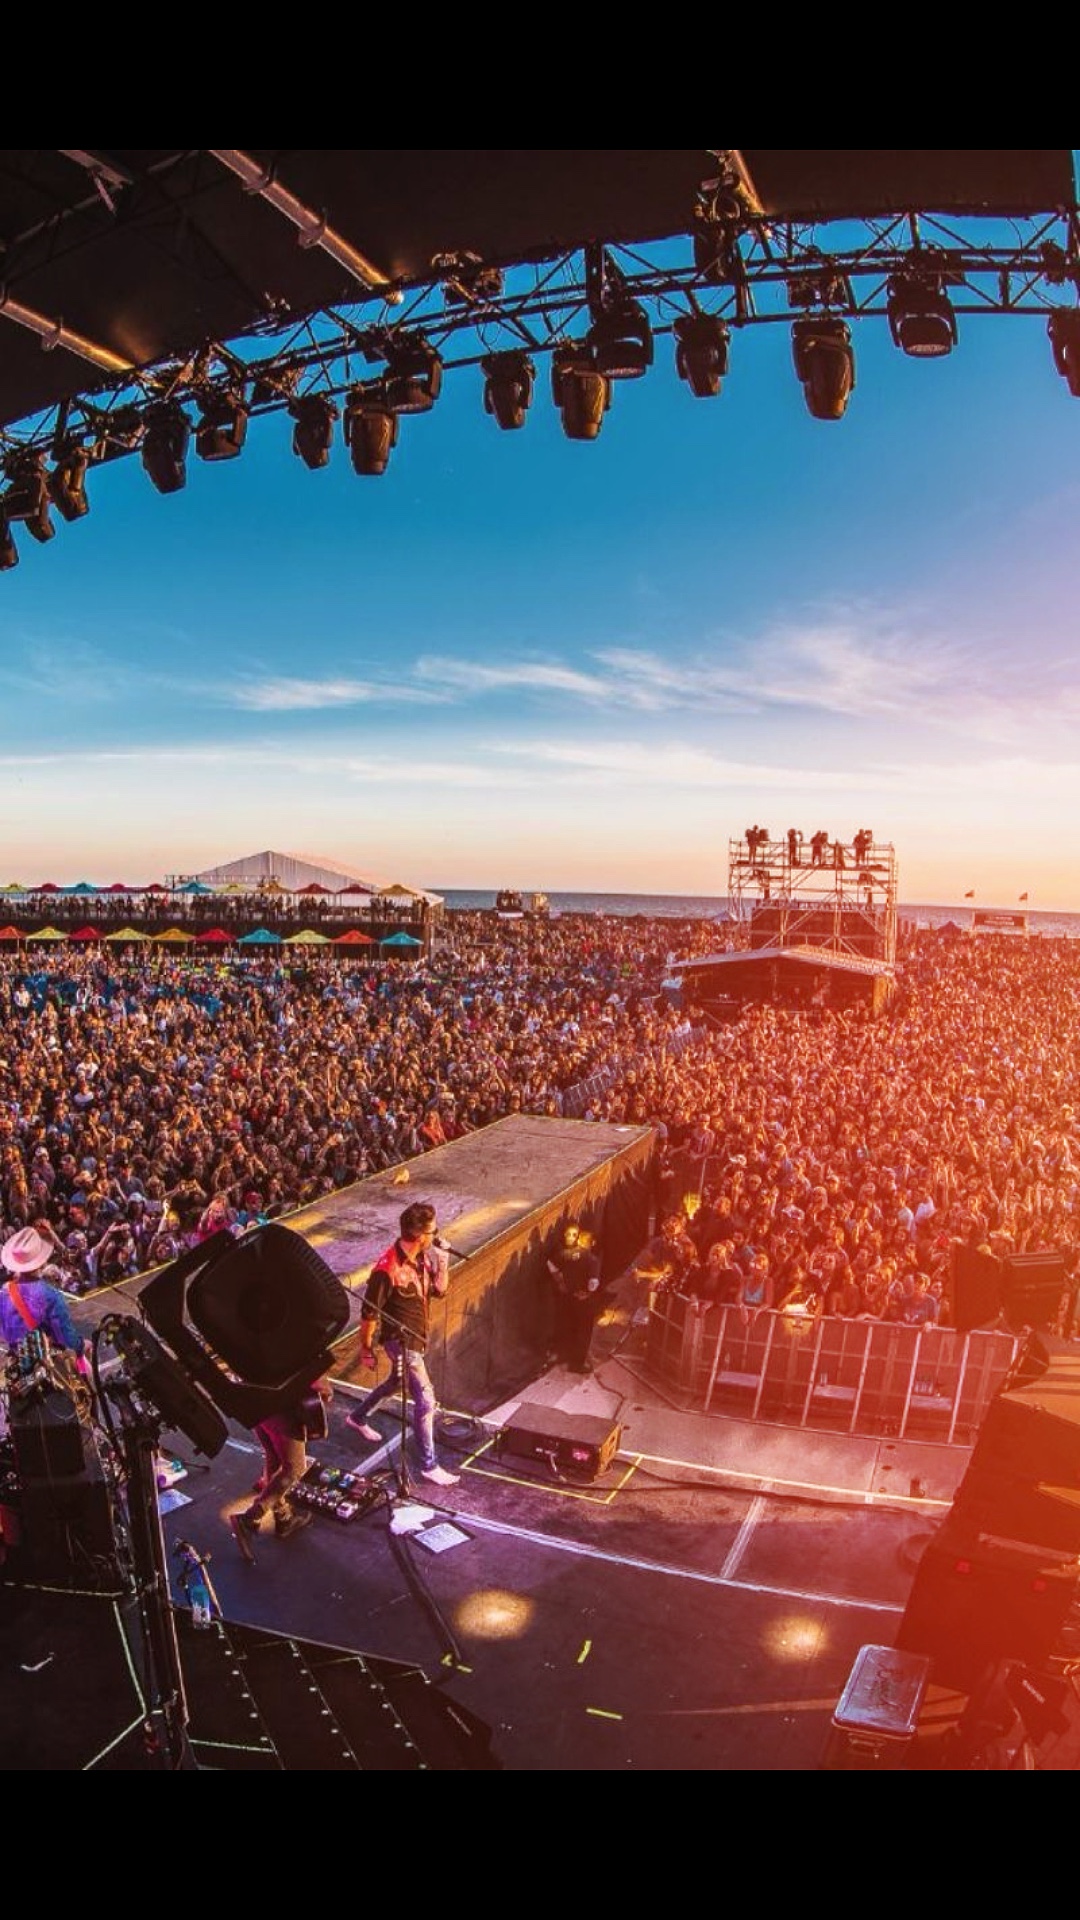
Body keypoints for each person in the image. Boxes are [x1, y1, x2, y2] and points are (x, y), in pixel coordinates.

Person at [344, 1200, 459, 1487]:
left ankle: (357, 1417)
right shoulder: (387, 1269)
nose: (436, 1235)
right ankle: (429, 1465)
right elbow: (369, 1314)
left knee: (395, 1383)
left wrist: (443, 1262)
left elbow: (439, 1291)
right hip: (401, 1342)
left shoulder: (422, 1258)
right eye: (433, 1231)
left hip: (417, 1336)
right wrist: (366, 1349)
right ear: (420, 1235)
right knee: (426, 1401)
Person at [233, 1374, 332, 1543]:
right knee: (294, 1468)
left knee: (274, 1458)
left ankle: (283, 1517)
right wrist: (325, 1390)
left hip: (257, 1402)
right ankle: (251, 1517)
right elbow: (319, 1385)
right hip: (283, 1410)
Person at [0, 1226, 86, 1355]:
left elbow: (4, 1331)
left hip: (17, 1357)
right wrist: (80, 1344)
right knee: (84, 1349)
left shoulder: (5, 1291)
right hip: (45, 1358)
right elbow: (66, 1337)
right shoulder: (50, 1294)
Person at [546, 1222, 602, 1372]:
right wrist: (588, 1292)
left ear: (578, 1240)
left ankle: (563, 1356)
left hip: (568, 1298)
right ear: (592, 1243)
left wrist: (560, 1281)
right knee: (584, 1331)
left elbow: (550, 1263)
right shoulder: (592, 1260)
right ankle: (577, 1364)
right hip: (583, 1300)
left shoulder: (566, 1254)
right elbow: (593, 1283)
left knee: (569, 1327)